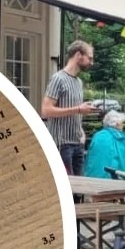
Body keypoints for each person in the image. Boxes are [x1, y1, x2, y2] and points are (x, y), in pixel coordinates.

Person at [40, 40, 96, 175]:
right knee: (66, 184)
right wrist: (78, 109)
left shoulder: (78, 82)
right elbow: (46, 110)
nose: (91, 62)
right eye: (89, 58)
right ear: (78, 55)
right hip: (61, 144)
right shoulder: (58, 79)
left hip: (78, 143)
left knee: (79, 186)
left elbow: (77, 111)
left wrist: (81, 132)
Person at [82, 110, 125, 179]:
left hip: (92, 178)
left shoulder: (97, 136)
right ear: (117, 124)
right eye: (122, 123)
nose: (123, 126)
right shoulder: (122, 138)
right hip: (114, 179)